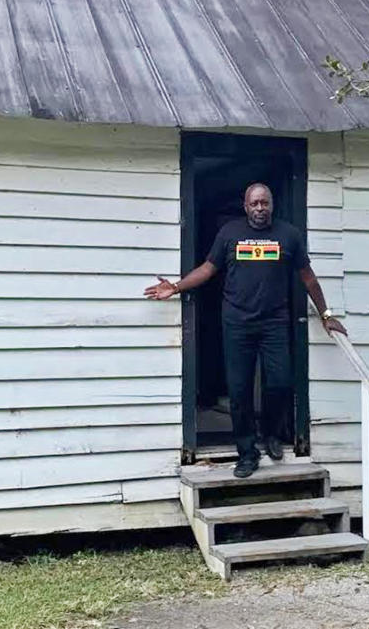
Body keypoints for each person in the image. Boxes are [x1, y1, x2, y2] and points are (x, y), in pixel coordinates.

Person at [144, 183, 346, 478]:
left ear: (272, 205)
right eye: (255, 204)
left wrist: (326, 314)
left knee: (280, 382)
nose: (260, 208)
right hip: (237, 324)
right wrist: (175, 286)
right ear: (246, 206)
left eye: (265, 203)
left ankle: (272, 434)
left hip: (274, 323)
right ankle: (247, 453)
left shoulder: (289, 235)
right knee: (239, 392)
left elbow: (308, 278)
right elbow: (207, 269)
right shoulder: (230, 233)